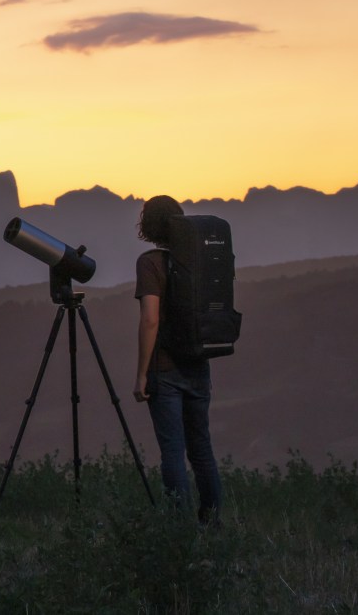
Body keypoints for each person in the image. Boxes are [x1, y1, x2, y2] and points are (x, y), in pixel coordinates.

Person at [133, 195, 222, 524]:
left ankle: (181, 529)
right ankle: (212, 524)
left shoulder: (150, 263)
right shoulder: (198, 259)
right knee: (201, 449)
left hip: (165, 369)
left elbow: (150, 320)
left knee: (172, 451)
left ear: (148, 226)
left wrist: (142, 374)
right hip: (198, 365)